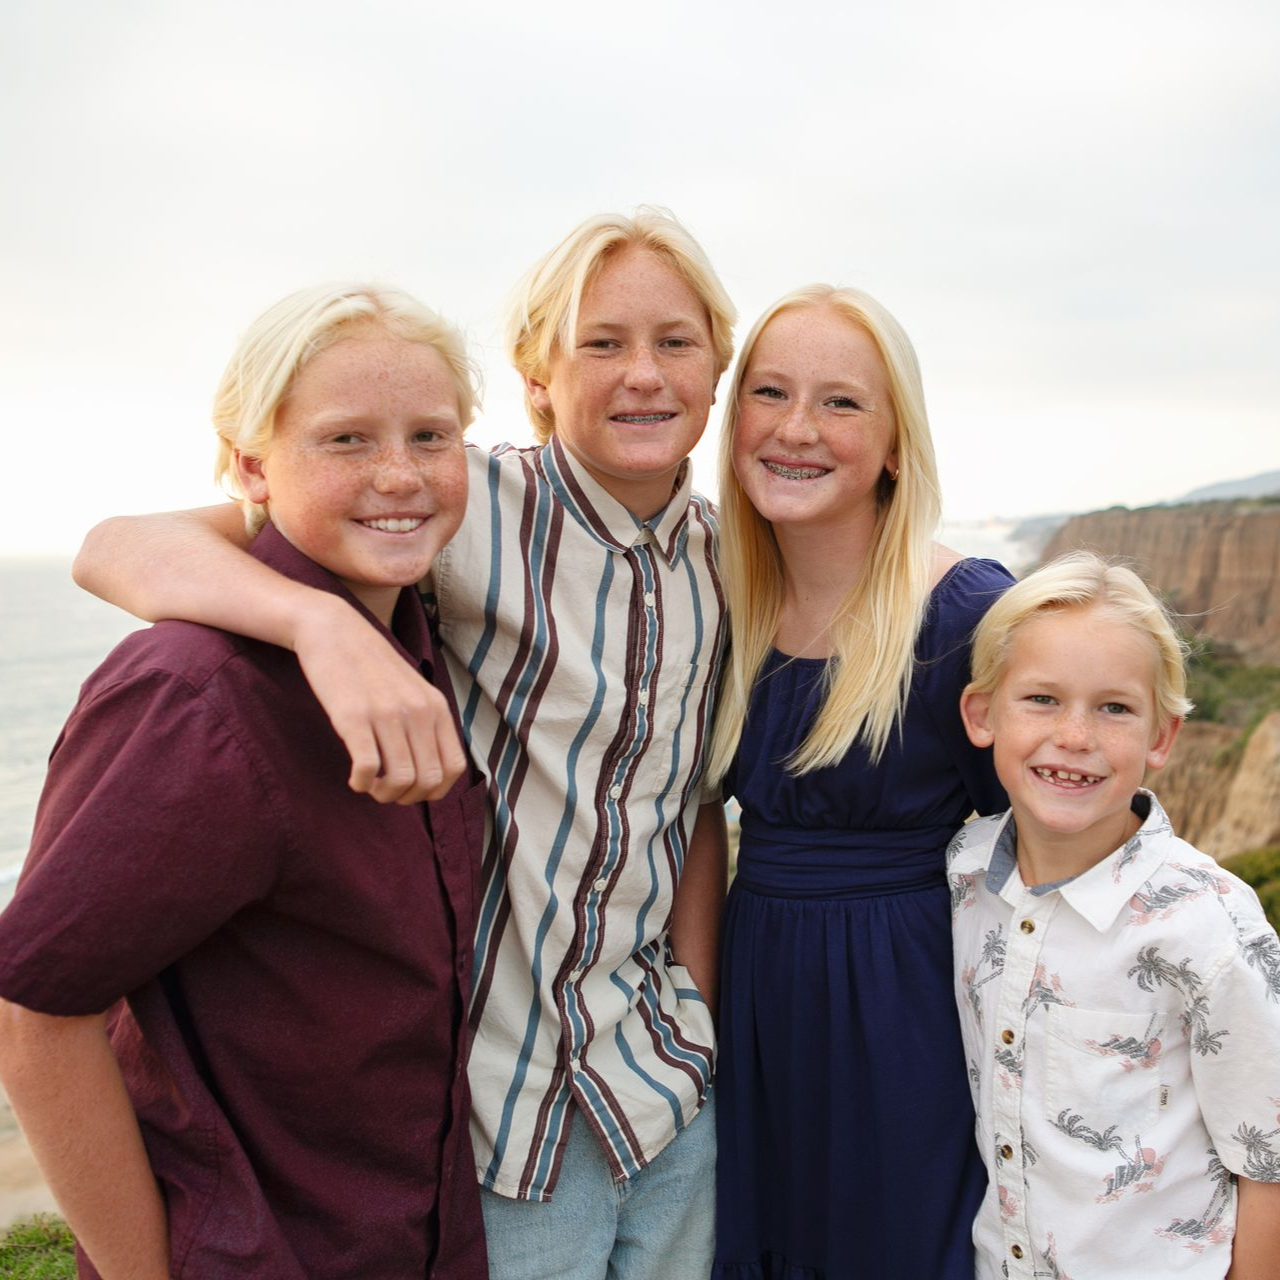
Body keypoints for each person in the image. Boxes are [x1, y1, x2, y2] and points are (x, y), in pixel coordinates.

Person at [72, 209, 737, 1280]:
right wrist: (318, 622)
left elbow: (694, 797)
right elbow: (116, 547)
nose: (642, 374)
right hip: (498, 1116)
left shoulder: (728, 556)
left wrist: (694, 1005)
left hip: (662, 1085)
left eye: (674, 342)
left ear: (716, 368)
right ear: (535, 378)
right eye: (599, 342)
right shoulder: (461, 504)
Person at [0, 283, 489, 1278]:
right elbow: (35, 1015)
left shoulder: (419, 629)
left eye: (430, 435)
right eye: (346, 440)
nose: (399, 474)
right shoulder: (195, 696)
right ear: (250, 465)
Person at [705, 284, 1013, 1278]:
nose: (796, 428)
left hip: (907, 1013)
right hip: (753, 1003)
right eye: (769, 392)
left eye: (839, 401)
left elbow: (1057, 835)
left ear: (893, 444)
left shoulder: (962, 613)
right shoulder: (711, 594)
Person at [950, 552, 1280, 1278]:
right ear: (982, 714)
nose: (1075, 736)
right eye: (1041, 699)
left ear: (1162, 737)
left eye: (1115, 707)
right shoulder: (961, 878)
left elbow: (1271, 1160)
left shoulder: (1209, 923)